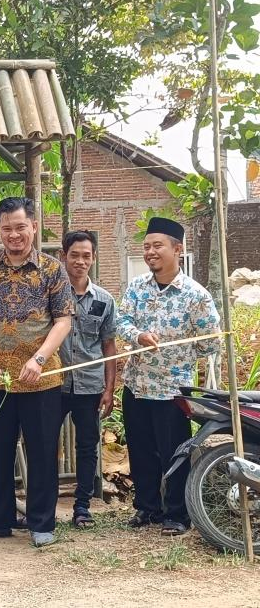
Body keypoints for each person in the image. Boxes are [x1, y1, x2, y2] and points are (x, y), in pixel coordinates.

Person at [0, 197, 73, 548]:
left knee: (42, 450)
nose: (14, 235)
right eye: (7, 228)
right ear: (0, 230)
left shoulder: (52, 269)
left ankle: (42, 522)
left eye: (20, 227)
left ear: (34, 227)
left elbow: (63, 321)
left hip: (40, 377)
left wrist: (40, 359)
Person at [116, 217, 221, 536]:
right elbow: (120, 322)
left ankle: (177, 514)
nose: (150, 252)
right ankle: (147, 508)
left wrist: (183, 348)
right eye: (146, 247)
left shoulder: (196, 295)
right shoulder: (136, 287)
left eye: (157, 246)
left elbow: (211, 341)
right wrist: (137, 336)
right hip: (137, 385)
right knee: (141, 450)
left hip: (172, 391)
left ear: (178, 249)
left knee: (175, 452)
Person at [59, 231, 117, 529]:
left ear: (93, 259)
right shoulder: (52, 294)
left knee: (87, 446)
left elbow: (109, 346)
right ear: (63, 256)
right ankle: (39, 504)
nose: (80, 261)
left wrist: (109, 388)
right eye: (75, 255)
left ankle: (82, 506)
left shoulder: (105, 300)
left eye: (86, 256)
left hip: (90, 385)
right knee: (43, 443)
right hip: (53, 385)